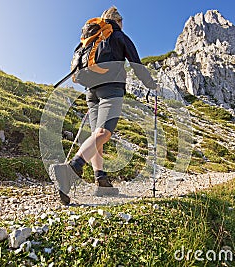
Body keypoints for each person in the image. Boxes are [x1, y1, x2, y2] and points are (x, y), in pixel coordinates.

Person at [51, 6, 158, 205]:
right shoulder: (118, 35)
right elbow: (136, 63)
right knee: (104, 133)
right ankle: (71, 168)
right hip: (111, 88)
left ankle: (101, 180)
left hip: (91, 91)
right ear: (118, 21)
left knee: (96, 136)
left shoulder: (90, 39)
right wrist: (152, 85)